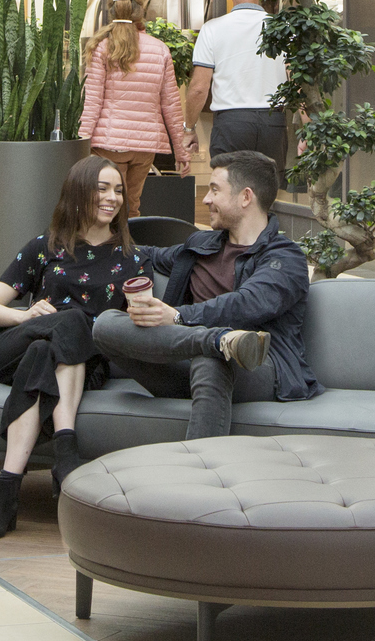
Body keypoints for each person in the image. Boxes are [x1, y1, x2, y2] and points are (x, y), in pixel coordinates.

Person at [0, 156, 136, 541]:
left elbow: (132, 325)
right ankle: (65, 448)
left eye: (118, 190)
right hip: (14, 348)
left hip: (82, 364)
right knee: (69, 321)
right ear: (78, 194)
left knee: (48, 352)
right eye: (102, 189)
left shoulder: (131, 258)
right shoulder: (45, 246)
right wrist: (25, 317)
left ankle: (6, 492)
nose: (113, 198)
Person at [92, 150, 315, 439]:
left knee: (212, 358)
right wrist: (85, 240)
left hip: (261, 367)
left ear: (245, 197)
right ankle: (219, 341)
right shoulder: (201, 244)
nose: (206, 199)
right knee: (107, 324)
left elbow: (249, 303)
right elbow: (145, 255)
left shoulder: (286, 257)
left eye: (214, 190)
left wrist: (179, 316)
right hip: (188, 359)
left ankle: (194, 479)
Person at [78, 0, 192, 219]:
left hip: (109, 144)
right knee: (132, 206)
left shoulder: (102, 48)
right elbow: (171, 104)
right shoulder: (160, 49)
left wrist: (81, 142)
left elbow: (92, 102)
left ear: (110, 11)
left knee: (106, 209)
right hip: (145, 147)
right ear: (142, 10)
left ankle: (108, 253)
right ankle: (130, 253)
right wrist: (180, 150)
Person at [188, 0, 288, 170]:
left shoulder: (212, 29)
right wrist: (308, 129)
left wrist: (188, 128)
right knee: (266, 191)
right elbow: (297, 81)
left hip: (231, 122)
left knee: (227, 190)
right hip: (274, 121)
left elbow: (199, 88)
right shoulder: (283, 29)